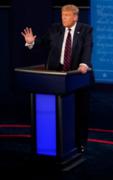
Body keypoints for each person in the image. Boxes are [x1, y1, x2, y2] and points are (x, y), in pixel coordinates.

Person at [21, 4, 93, 153]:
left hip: (77, 76)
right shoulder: (55, 29)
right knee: (57, 112)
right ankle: (58, 141)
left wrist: (84, 63)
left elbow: (87, 47)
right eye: (62, 15)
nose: (63, 18)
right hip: (56, 77)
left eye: (66, 16)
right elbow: (42, 42)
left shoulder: (85, 30)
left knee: (80, 111)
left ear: (75, 17)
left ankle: (81, 143)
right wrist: (31, 42)